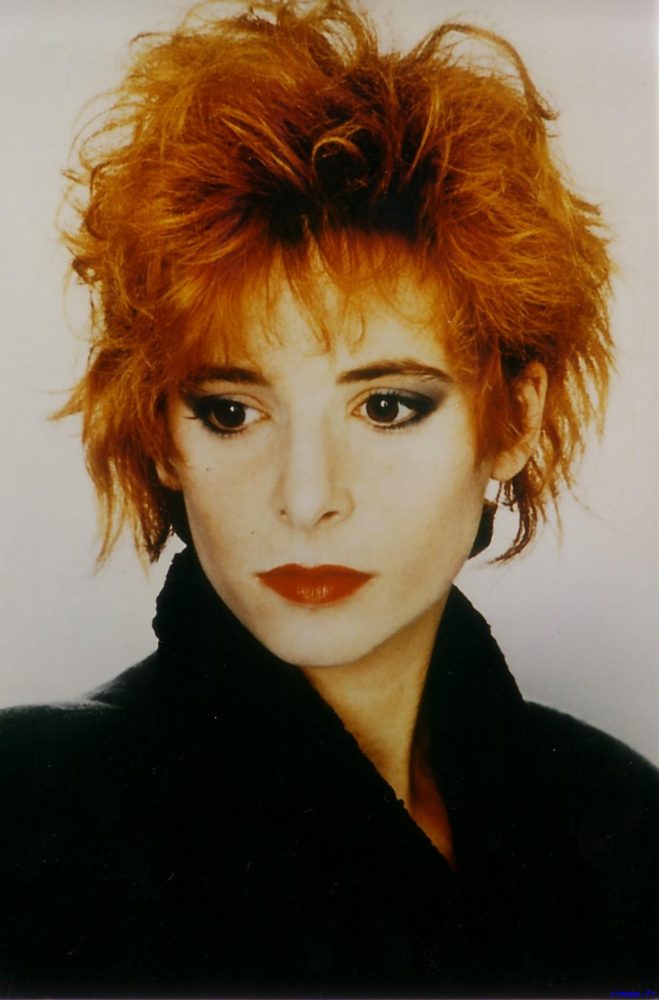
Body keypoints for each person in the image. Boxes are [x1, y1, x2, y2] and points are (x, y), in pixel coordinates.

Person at [0, 0, 656, 996]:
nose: (304, 499)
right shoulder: (31, 818)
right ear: (163, 435)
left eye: (386, 406)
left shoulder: (616, 817)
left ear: (514, 420)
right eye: (230, 411)